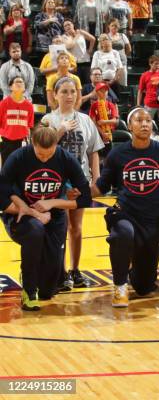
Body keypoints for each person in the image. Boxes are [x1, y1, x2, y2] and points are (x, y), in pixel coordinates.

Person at [91, 108, 159, 307]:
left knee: (144, 287)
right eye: (139, 120)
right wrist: (79, 195)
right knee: (122, 234)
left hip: (152, 220)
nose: (145, 124)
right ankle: (120, 286)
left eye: (148, 120)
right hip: (124, 214)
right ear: (130, 126)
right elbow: (101, 187)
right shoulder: (118, 153)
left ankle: (133, 271)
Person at [0, 126, 92, 310]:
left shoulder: (65, 158)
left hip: (54, 215)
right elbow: (2, 196)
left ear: (56, 146)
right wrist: (31, 211)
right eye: (40, 155)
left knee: (48, 291)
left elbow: (85, 198)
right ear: (32, 144)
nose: (45, 159)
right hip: (20, 216)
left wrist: (54, 202)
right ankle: (28, 289)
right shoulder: (18, 157)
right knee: (35, 230)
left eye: (49, 155)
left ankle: (39, 282)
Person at [41, 77, 104, 290]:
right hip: (54, 183)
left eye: (72, 92)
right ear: (55, 95)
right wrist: (60, 130)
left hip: (79, 182)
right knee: (58, 229)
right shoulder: (48, 120)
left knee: (75, 228)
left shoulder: (85, 120)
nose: (69, 96)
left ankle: (75, 270)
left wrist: (95, 180)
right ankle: (61, 271)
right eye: (64, 92)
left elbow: (94, 151)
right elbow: (42, 148)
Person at [0, 76, 34, 164]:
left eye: (21, 82)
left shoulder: (29, 106)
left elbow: (29, 126)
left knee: (21, 167)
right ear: (11, 87)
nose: (19, 83)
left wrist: (29, 142)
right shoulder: (3, 104)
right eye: (16, 82)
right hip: (6, 141)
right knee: (6, 167)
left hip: (22, 141)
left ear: (24, 88)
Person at [61, 19, 96, 85]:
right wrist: (76, 36)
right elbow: (70, 45)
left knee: (87, 83)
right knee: (76, 84)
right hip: (74, 64)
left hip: (85, 61)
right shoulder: (64, 37)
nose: (67, 26)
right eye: (65, 26)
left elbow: (92, 39)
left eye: (69, 24)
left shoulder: (80, 32)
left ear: (73, 25)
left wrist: (90, 49)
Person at [89, 82, 119, 156]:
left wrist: (104, 122)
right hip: (98, 134)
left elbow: (115, 121)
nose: (104, 93)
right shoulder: (94, 106)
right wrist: (102, 133)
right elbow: (93, 122)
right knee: (98, 155)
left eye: (106, 91)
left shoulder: (111, 105)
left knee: (109, 155)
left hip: (109, 133)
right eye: (101, 91)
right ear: (96, 92)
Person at [137, 55, 159, 127]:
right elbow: (140, 91)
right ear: (150, 64)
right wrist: (138, 104)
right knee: (147, 123)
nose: (158, 65)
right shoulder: (144, 75)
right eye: (156, 64)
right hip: (150, 103)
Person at [108, 19, 132, 86]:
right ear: (108, 26)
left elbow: (129, 49)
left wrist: (123, 56)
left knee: (123, 84)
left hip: (122, 63)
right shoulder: (106, 37)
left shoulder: (123, 36)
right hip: (110, 64)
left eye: (116, 26)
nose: (114, 27)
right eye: (112, 25)